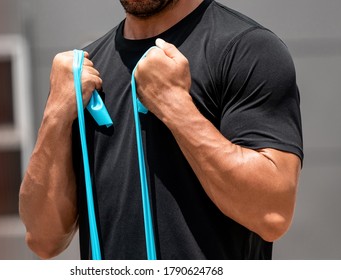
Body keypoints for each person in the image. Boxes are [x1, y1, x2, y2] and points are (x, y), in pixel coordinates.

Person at [19, 0, 303, 260]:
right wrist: (55, 114)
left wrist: (175, 106)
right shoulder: (86, 71)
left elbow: (273, 212)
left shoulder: (246, 49)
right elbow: (43, 240)